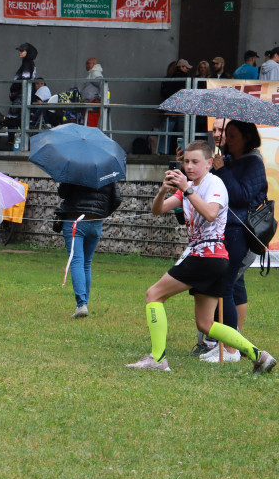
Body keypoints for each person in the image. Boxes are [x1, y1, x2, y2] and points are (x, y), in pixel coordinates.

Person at [126, 140, 276, 373]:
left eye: (195, 162)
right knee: (206, 323)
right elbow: (158, 210)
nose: (189, 166)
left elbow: (210, 213)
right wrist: (163, 190)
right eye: (186, 161)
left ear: (209, 163)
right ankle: (260, 356)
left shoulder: (214, 183)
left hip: (206, 255)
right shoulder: (189, 186)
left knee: (153, 295)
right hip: (212, 258)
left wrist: (187, 189)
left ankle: (157, 359)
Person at [199, 120, 269, 363]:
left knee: (224, 288)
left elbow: (242, 197)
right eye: (225, 134)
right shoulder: (230, 161)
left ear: (247, 138)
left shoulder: (253, 162)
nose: (227, 138)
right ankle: (225, 342)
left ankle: (230, 350)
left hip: (239, 232)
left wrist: (222, 170)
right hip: (225, 230)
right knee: (230, 287)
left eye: (233, 135)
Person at [54, 180, 122, 318]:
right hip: (96, 222)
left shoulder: (74, 167)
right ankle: (84, 304)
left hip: (75, 220)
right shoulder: (106, 169)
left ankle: (81, 305)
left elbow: (63, 193)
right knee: (86, 264)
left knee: (77, 261)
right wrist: (101, 213)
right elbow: (117, 199)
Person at [0, 43, 38, 132]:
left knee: (17, 117)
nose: (19, 52)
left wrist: (14, 89)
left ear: (28, 52)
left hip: (22, 95)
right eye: (19, 50)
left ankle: (4, 122)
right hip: (22, 94)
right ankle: (10, 137)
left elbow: (25, 78)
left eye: (22, 51)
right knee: (19, 117)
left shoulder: (27, 63)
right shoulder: (28, 63)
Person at [159, 58, 192, 154]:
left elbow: (164, 93)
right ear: (181, 67)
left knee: (167, 132)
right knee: (181, 133)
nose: (188, 70)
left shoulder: (169, 78)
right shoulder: (186, 80)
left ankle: (162, 151)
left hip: (170, 107)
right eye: (186, 68)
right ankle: (181, 151)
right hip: (181, 108)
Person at [81, 57, 106, 127]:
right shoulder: (93, 73)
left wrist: (99, 98)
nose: (86, 65)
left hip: (92, 103)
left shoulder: (95, 73)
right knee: (89, 124)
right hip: (90, 103)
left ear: (94, 64)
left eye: (88, 63)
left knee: (90, 125)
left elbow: (103, 85)